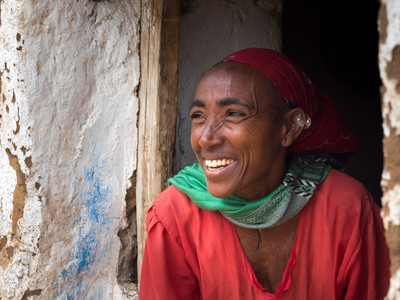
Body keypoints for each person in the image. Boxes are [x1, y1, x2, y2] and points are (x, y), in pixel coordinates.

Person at [139, 48, 390, 299]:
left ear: (289, 127)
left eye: (234, 114)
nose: (206, 139)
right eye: (198, 116)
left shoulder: (349, 209)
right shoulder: (174, 216)